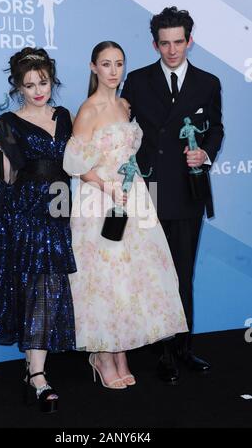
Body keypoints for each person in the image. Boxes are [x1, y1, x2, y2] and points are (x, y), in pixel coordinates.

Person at [63, 41, 188, 390]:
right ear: (93, 68)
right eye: (106, 64)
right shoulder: (88, 110)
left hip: (134, 198)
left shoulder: (124, 105)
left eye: (119, 63)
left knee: (132, 276)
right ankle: (103, 354)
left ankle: (121, 353)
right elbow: (74, 165)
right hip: (100, 201)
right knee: (104, 277)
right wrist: (107, 187)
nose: (114, 71)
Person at [121, 6, 224, 383]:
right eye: (164, 43)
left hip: (187, 190)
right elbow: (120, 130)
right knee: (154, 273)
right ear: (154, 44)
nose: (172, 50)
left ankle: (183, 347)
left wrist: (205, 153)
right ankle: (162, 350)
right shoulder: (136, 81)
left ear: (189, 41)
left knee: (182, 271)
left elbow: (216, 129)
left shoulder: (208, 83)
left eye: (178, 42)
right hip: (149, 189)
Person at [0, 47, 77, 412]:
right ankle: (37, 375)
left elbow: (74, 162)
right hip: (23, 211)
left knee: (49, 286)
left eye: (43, 82)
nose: (38, 90)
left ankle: (35, 369)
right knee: (35, 287)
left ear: (52, 80)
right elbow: (9, 175)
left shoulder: (64, 116)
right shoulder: (9, 120)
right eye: (29, 84)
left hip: (59, 205)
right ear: (18, 87)